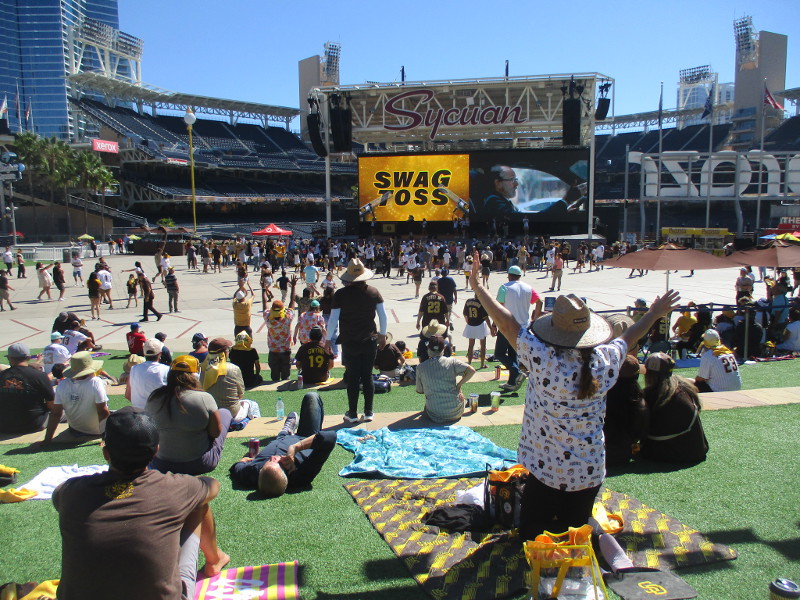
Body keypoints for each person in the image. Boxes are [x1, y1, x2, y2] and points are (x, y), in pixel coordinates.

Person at [468, 251, 680, 540]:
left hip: (546, 470)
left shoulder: (541, 357)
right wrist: (654, 314)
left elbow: (505, 323)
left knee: (533, 534)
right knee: (576, 536)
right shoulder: (604, 359)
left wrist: (478, 288)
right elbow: (630, 336)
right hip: (589, 469)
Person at [52, 408, 230, 600]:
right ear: (156, 451)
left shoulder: (70, 492)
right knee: (198, 503)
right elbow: (213, 486)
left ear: (106, 453)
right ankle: (214, 560)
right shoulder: (175, 488)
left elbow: (57, 497)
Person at [230, 392, 337, 497]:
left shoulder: (252, 472)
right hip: (307, 437)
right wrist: (296, 447)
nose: (272, 457)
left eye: (268, 462)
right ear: (286, 473)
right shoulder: (302, 475)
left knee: (280, 439)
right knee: (311, 396)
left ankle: (286, 431)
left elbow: (236, 468)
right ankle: (287, 432)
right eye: (276, 462)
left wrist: (244, 460)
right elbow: (329, 437)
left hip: (281, 439)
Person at [146, 355, 233, 475]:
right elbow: (215, 433)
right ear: (195, 375)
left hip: (161, 463)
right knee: (225, 413)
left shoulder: (154, 397)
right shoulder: (204, 398)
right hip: (199, 463)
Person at [326, 258, 387, 424]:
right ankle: (368, 412)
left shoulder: (340, 294)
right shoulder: (373, 292)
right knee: (367, 376)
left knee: (352, 377)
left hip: (349, 341)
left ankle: (352, 413)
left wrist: (327, 340)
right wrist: (382, 335)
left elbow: (333, 319)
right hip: (370, 340)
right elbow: (383, 315)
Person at [641, 352, 709, 463]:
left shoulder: (651, 394)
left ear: (648, 374)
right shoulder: (685, 387)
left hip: (667, 454)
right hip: (697, 449)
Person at [44, 352, 111, 443]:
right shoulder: (95, 382)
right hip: (97, 431)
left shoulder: (62, 384)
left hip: (75, 430)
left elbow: (56, 413)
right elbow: (103, 411)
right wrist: (105, 438)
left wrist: (47, 439)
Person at [495, 265, 541, 392]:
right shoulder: (528, 288)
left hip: (507, 326)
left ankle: (515, 370)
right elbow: (539, 302)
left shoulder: (505, 287)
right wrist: (535, 319)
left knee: (499, 353)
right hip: (523, 328)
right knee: (513, 353)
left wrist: (494, 324)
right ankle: (512, 382)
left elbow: (498, 308)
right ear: (520, 276)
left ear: (509, 276)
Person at [415, 335, 475, 423]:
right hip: (456, 412)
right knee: (461, 395)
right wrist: (459, 386)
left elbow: (420, 390)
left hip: (434, 415)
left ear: (428, 348)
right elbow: (471, 371)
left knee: (426, 408)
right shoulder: (452, 361)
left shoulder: (420, 367)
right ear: (444, 348)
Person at [0, 343, 56, 434]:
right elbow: (51, 404)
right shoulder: (40, 376)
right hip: (33, 424)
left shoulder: (1, 375)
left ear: (9, 358)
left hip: (5, 425)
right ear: (29, 357)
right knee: (63, 411)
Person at [201, 338, 248, 423]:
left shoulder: (202, 368)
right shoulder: (234, 368)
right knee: (251, 404)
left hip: (209, 413)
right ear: (225, 352)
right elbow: (241, 394)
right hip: (231, 412)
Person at [265, 277, 299, 382]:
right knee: (286, 376)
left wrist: (263, 290)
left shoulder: (268, 318)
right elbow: (292, 303)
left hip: (273, 351)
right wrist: (293, 287)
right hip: (285, 350)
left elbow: (264, 306)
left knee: (274, 376)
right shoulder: (287, 318)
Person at [125, 339, 170, 409]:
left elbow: (128, 395)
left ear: (144, 353)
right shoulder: (167, 370)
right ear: (160, 354)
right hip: (159, 412)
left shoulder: (134, 369)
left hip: (138, 412)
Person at [462, 293, 493, 369]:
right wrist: (491, 328)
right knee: (483, 345)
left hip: (471, 324)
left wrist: (468, 321)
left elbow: (465, 314)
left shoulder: (468, 301)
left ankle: (469, 363)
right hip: (480, 325)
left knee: (471, 345)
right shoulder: (482, 303)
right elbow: (486, 317)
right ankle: (482, 364)